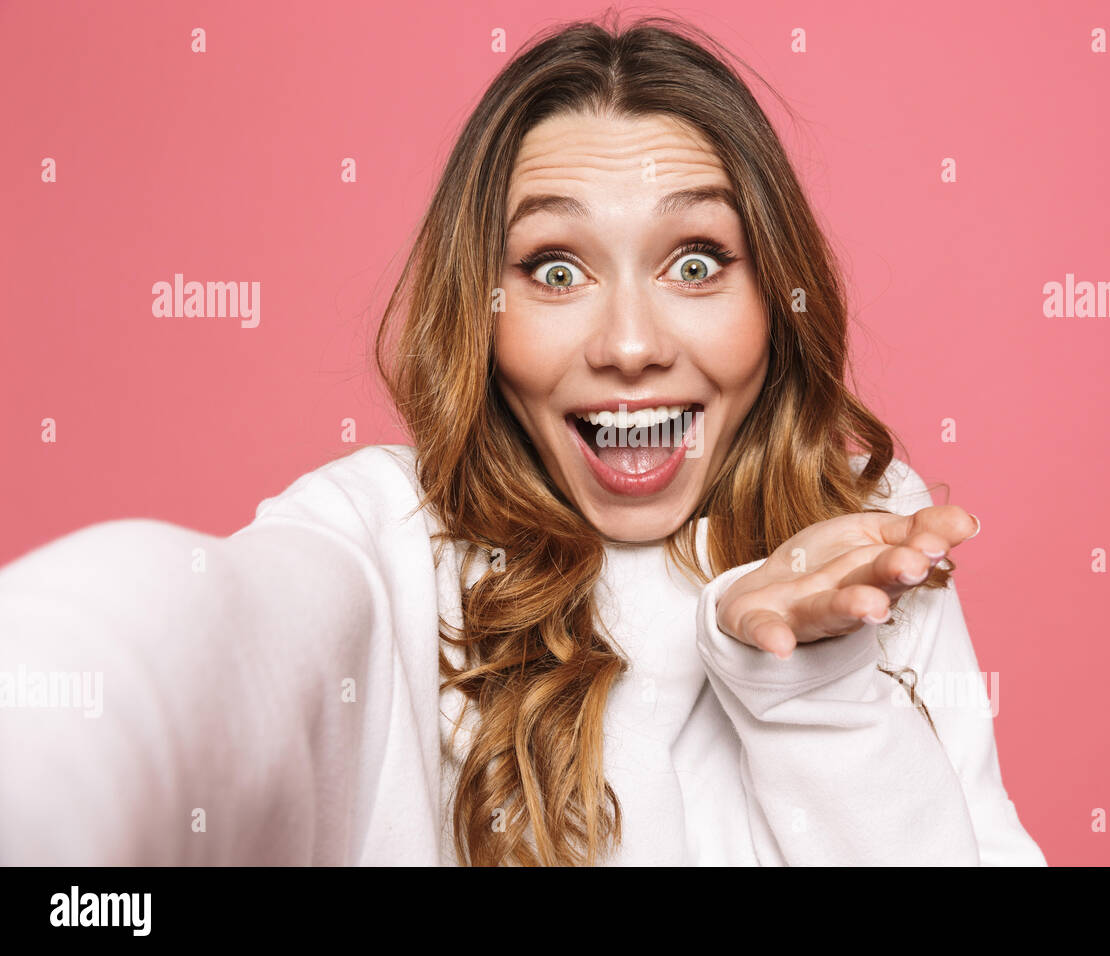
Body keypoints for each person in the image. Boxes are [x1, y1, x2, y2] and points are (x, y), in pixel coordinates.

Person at [0, 13, 1046, 867]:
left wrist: (808, 687)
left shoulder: (857, 541)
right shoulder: (384, 538)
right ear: (482, 309)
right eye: (555, 268)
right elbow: (190, 636)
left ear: (775, 296)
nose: (630, 344)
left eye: (694, 261)